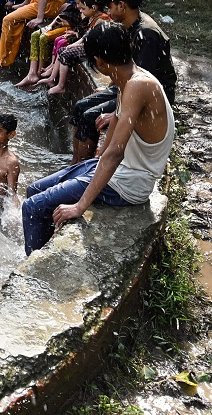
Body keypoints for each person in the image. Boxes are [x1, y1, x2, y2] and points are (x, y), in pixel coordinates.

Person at [22, 22, 174, 255]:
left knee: (32, 208)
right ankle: (45, 244)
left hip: (129, 182)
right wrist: (94, 161)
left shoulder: (137, 85)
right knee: (34, 190)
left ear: (100, 62)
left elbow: (115, 153)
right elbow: (116, 123)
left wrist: (80, 206)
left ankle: (32, 268)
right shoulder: (130, 78)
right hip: (121, 172)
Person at [69, 0, 177, 163]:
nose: (108, 13)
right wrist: (111, 88)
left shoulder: (146, 34)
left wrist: (116, 114)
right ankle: (74, 162)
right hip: (129, 87)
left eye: (110, 7)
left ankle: (85, 167)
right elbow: (126, 68)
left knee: (90, 117)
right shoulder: (129, 25)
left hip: (152, 96)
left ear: (121, 6)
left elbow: (141, 83)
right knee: (80, 106)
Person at [34, 0, 110, 94]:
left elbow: (87, 38)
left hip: (95, 50)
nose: (81, 11)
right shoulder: (93, 16)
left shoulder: (101, 20)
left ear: (93, 7)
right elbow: (86, 36)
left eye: (83, 8)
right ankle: (52, 78)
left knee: (65, 54)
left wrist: (75, 45)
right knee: (62, 51)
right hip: (89, 46)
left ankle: (61, 86)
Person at [17, 5, 81, 90]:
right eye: (76, 3)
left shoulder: (86, 10)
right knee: (35, 35)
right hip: (63, 23)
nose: (78, 6)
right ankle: (32, 73)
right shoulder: (76, 6)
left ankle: (39, 73)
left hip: (70, 27)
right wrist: (51, 25)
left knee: (43, 38)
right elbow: (60, 15)